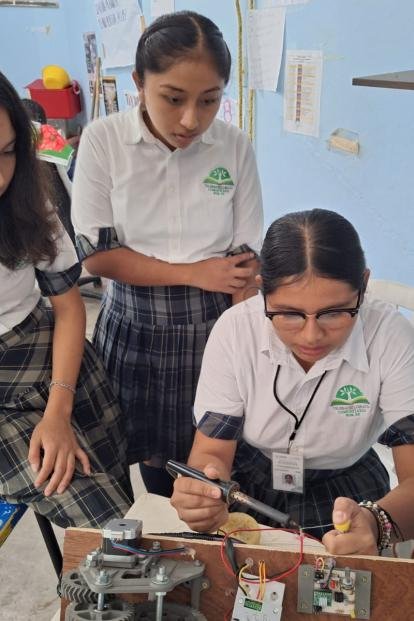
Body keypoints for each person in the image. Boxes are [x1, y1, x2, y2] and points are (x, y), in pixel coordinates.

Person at [71, 11, 263, 496]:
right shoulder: (104, 140)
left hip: (214, 325)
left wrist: (246, 345)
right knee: (148, 455)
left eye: (209, 100)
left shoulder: (234, 146)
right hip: (133, 321)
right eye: (173, 98)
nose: (191, 120)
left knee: (213, 453)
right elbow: (97, 257)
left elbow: (245, 260)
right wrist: (195, 272)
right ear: (139, 82)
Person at [171, 209, 414, 556]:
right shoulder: (235, 331)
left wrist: (375, 523)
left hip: (348, 491)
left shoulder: (391, 336)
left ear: (363, 284)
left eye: (334, 312)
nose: (311, 336)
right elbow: (211, 452)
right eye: (288, 313)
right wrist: (204, 495)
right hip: (248, 481)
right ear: (262, 291)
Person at [0, 71, 132, 528]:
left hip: (57, 364)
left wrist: (58, 411)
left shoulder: (27, 205)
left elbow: (70, 307)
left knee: (125, 514)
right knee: (105, 522)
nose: (0, 175)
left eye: (8, 151)